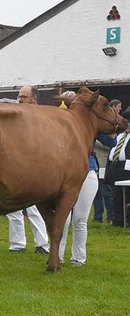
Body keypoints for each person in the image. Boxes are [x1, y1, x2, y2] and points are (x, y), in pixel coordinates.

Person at [57, 91, 115, 266]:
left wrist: (111, 122)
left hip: (88, 171)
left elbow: (111, 142)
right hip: (64, 172)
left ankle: (78, 259)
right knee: (63, 218)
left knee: (80, 219)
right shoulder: (60, 121)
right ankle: (57, 256)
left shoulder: (91, 123)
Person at [6, 85, 49, 254]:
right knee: (12, 207)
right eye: (19, 96)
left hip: (36, 166)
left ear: (34, 98)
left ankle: (42, 244)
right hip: (16, 164)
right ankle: (17, 244)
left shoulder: (43, 116)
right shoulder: (16, 115)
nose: (19, 99)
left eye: (23, 97)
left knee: (34, 207)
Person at [93, 99, 121, 223]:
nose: (120, 108)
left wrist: (94, 140)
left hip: (104, 162)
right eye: (118, 106)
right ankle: (98, 216)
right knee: (97, 192)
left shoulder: (108, 127)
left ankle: (111, 215)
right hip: (97, 161)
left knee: (106, 191)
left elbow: (111, 144)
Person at [105, 107, 130, 227]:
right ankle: (117, 220)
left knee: (127, 195)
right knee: (116, 196)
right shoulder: (120, 136)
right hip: (114, 167)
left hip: (126, 168)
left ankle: (127, 220)